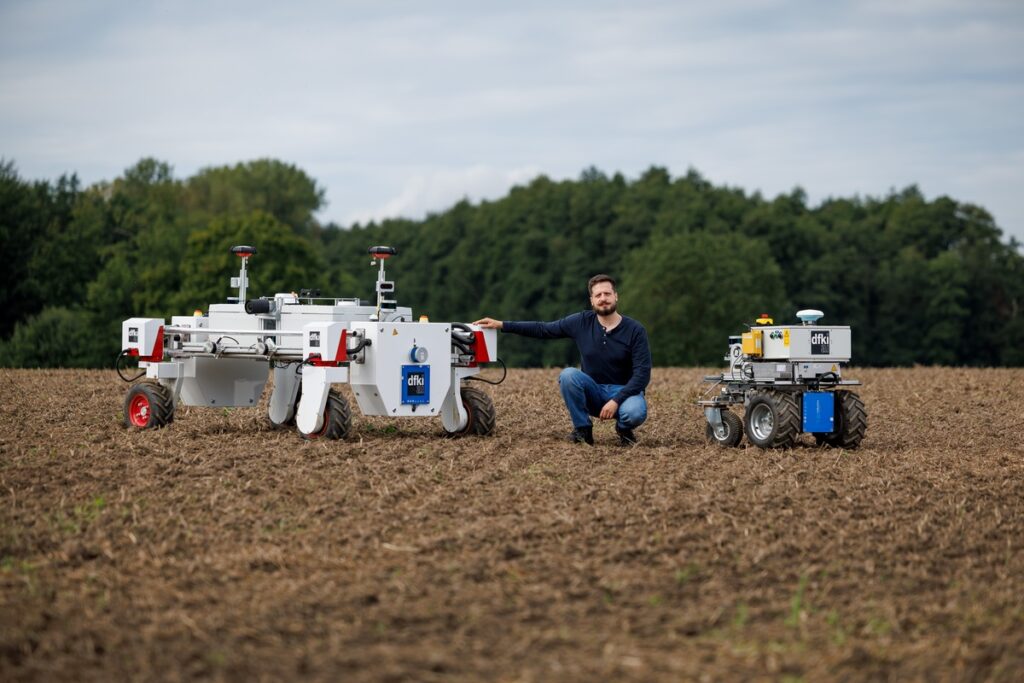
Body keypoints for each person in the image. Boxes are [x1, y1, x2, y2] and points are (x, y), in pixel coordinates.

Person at [474, 274, 650, 446]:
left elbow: (642, 375)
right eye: (598, 295)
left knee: (634, 412)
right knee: (568, 375)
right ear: (591, 300)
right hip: (593, 391)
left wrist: (616, 400)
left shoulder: (635, 330)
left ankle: (623, 429)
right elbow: (544, 329)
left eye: (607, 294)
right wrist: (503, 325)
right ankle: (583, 430)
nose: (603, 298)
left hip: (623, 393)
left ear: (616, 296)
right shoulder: (581, 322)